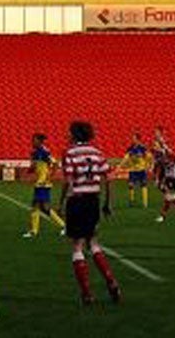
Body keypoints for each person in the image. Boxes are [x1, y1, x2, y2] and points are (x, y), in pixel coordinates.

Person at [61, 121, 120, 306]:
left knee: (77, 246)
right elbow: (109, 178)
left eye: (69, 132)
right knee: (93, 242)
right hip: (93, 200)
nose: (67, 134)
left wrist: (62, 202)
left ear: (75, 134)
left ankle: (87, 293)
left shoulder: (69, 153)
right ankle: (111, 281)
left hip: (77, 200)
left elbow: (68, 181)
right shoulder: (98, 153)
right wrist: (108, 203)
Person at [22, 132, 65, 237]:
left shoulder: (45, 152)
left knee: (38, 206)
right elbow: (34, 166)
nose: (32, 142)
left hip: (43, 183)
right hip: (39, 182)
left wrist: (50, 177)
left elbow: (55, 164)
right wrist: (27, 173)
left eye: (34, 140)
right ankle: (34, 231)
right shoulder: (35, 153)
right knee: (41, 207)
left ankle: (35, 231)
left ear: (39, 141)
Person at [151, 129, 175, 223]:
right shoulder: (158, 155)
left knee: (168, 196)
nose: (154, 146)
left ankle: (163, 216)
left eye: (155, 145)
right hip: (169, 176)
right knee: (171, 196)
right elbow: (158, 166)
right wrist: (157, 178)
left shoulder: (166, 152)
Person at [121, 134, 150, 208]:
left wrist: (148, 165)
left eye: (134, 138)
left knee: (143, 185)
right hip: (133, 169)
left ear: (138, 139)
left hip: (141, 169)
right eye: (132, 138)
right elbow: (126, 157)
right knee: (130, 185)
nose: (133, 140)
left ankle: (145, 203)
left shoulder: (142, 148)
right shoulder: (130, 148)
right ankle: (131, 200)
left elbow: (148, 157)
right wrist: (122, 164)